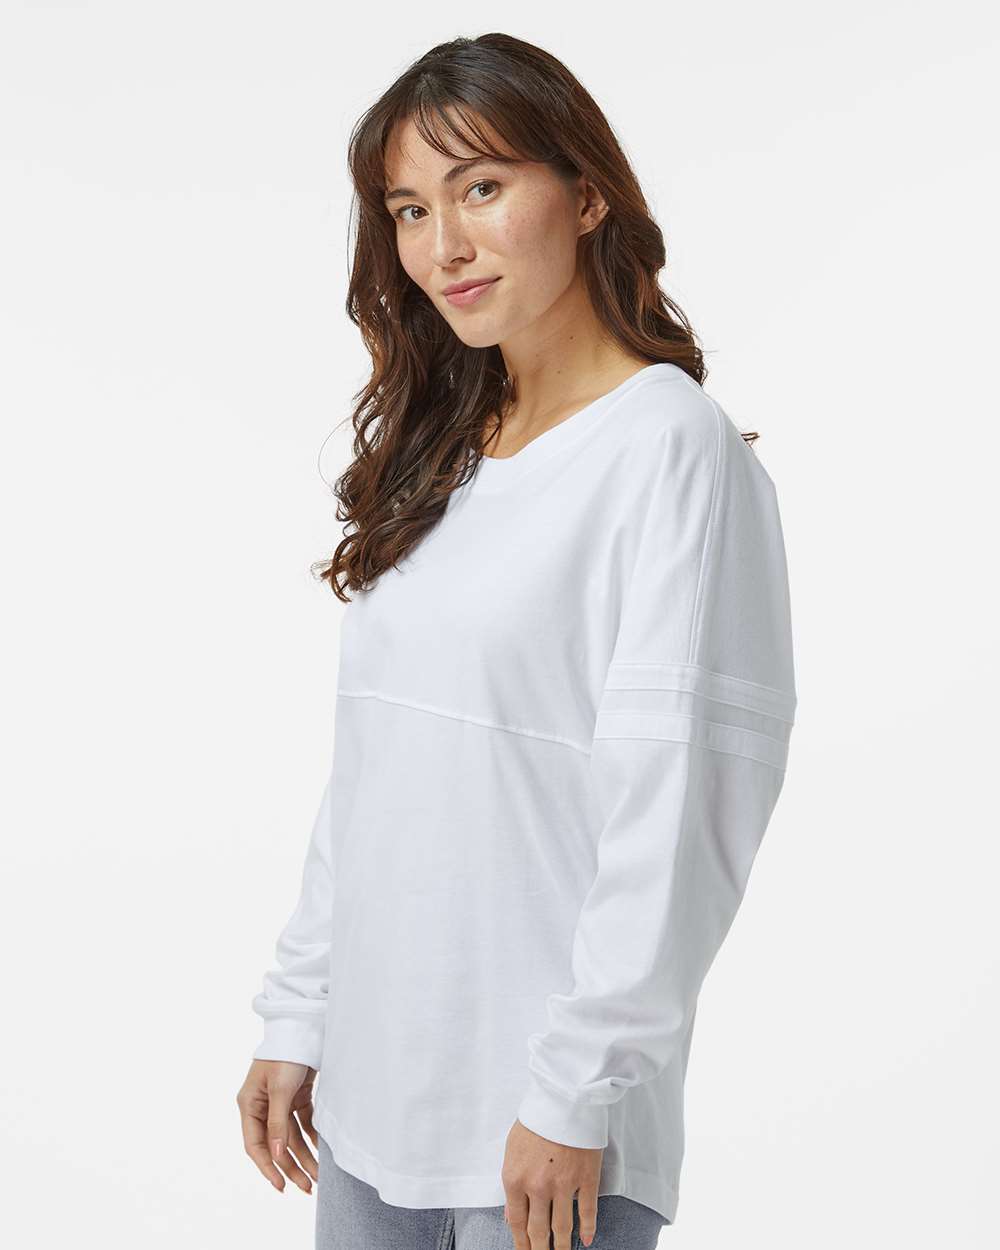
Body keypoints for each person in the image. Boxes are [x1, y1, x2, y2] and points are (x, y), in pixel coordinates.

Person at [236, 31, 797, 1250]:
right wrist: (301, 1009)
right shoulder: (443, 451)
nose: (443, 244)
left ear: (586, 194)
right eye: (409, 209)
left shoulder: (669, 451)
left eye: (481, 187)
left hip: (542, 1138)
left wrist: (577, 1088)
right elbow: (375, 770)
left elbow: (680, 808)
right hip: (371, 1110)